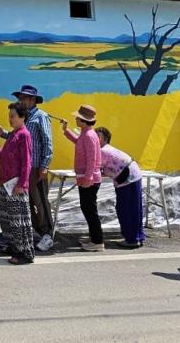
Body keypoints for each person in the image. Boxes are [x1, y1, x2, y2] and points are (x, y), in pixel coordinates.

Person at [0, 85, 54, 252]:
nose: (20, 101)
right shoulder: (23, 117)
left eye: (23, 98)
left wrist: (44, 165)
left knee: (40, 201)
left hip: (36, 166)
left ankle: (48, 234)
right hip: (23, 168)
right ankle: (33, 232)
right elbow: (16, 137)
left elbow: (47, 142)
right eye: (19, 98)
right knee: (27, 203)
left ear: (32, 100)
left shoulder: (41, 116)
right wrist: (3, 134)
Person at [0, 102, 35, 265]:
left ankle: (24, 252)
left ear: (22, 117)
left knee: (18, 220)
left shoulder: (24, 135)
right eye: (9, 116)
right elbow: (4, 155)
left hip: (15, 185)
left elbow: (27, 162)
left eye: (13, 116)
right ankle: (13, 246)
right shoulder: (13, 134)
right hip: (6, 183)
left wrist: (22, 184)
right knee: (6, 218)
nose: (10, 119)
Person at [61, 105, 103, 251]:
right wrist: (66, 131)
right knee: (88, 209)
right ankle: (94, 237)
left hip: (89, 179)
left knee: (90, 210)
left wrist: (88, 177)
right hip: (87, 178)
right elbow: (78, 142)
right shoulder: (86, 133)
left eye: (78, 117)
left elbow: (92, 159)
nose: (76, 119)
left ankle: (98, 241)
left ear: (84, 120)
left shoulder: (89, 135)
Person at [95, 126, 146, 249]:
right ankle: (136, 237)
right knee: (130, 208)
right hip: (130, 177)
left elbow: (95, 167)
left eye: (98, 136)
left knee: (127, 209)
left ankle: (132, 239)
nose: (95, 138)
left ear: (105, 139)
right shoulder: (106, 149)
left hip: (129, 179)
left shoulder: (102, 151)